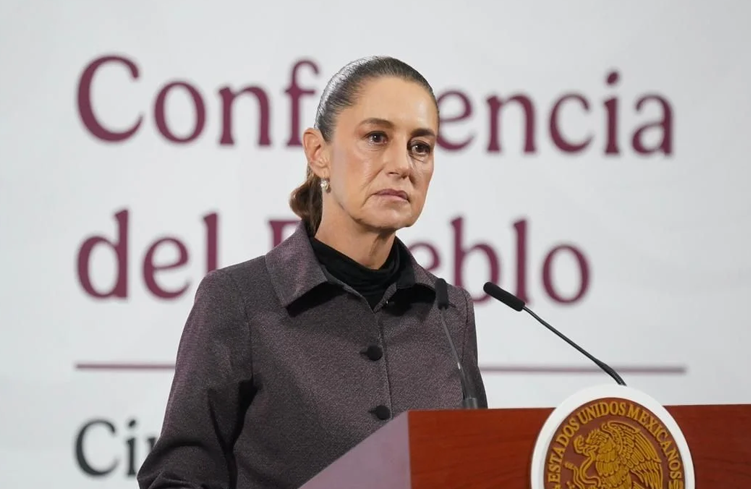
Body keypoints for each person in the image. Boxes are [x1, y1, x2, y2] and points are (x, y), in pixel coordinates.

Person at [136, 56, 488, 489]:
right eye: (376, 137)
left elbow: (480, 470)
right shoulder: (239, 300)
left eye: (420, 146)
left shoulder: (450, 313)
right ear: (318, 153)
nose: (402, 164)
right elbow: (177, 478)